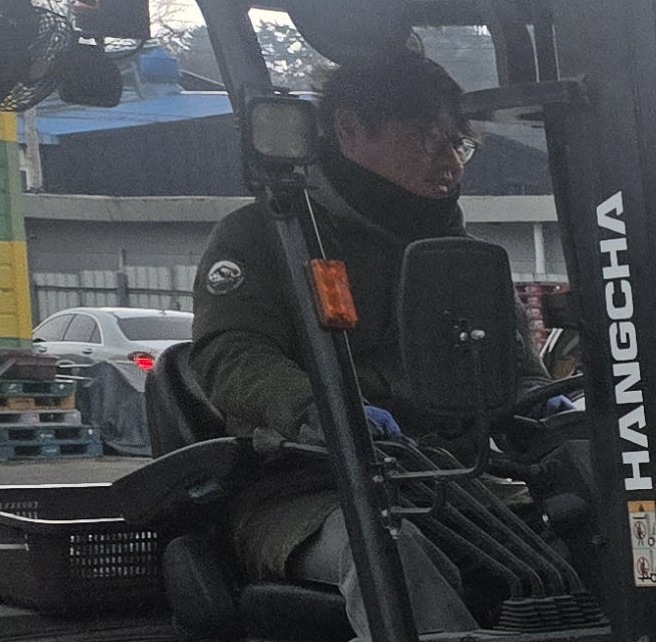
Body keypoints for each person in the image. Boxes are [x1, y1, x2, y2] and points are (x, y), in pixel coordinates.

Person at [184, 49, 476, 588]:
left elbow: (509, 364)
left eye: (460, 144)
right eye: (430, 139)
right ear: (349, 129)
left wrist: (545, 403)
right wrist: (320, 410)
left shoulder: (458, 252)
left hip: (451, 478)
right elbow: (231, 353)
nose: (452, 163)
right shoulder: (265, 236)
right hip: (310, 490)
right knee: (390, 559)